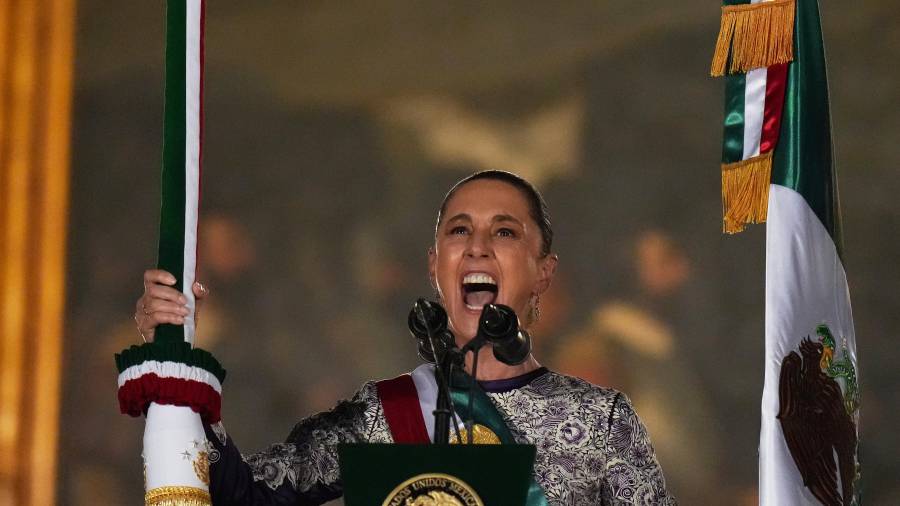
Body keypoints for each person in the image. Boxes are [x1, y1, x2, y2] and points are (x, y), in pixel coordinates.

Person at [134, 170, 676, 505]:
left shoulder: (603, 421)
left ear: (543, 273)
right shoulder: (383, 414)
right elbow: (243, 493)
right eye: (459, 230)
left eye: (505, 232)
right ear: (434, 266)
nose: (478, 247)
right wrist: (175, 356)